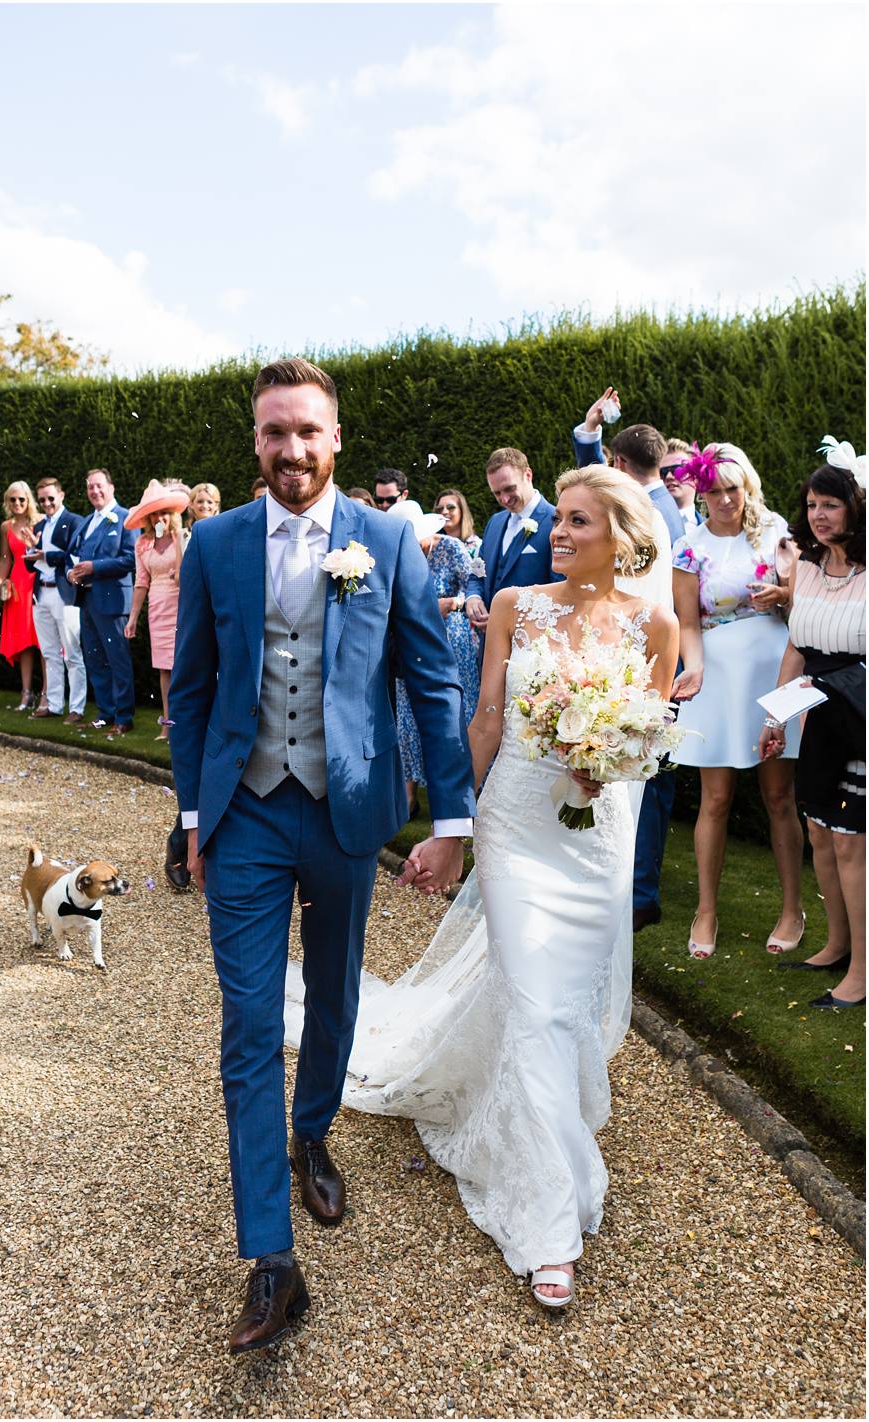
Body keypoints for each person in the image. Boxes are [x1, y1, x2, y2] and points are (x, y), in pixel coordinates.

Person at [284, 464, 678, 1310]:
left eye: (578, 521)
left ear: (623, 531)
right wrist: (452, 829)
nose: (560, 533)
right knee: (536, 1005)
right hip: (516, 828)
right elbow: (487, 717)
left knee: (556, 1006)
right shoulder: (514, 606)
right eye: (559, 520)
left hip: (597, 838)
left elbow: (649, 741)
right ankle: (547, 1227)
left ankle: (542, 1115)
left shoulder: (657, 623)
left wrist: (602, 762)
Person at [169, 357, 475, 1354]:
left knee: (336, 997)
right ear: (253, 443)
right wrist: (188, 815)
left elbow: (431, 684)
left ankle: (311, 1133)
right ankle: (270, 1259)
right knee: (248, 1024)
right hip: (246, 816)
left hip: (347, 811)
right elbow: (191, 693)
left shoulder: (386, 539)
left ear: (333, 440)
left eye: (305, 431)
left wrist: (450, 820)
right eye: (272, 432)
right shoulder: (213, 543)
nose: (289, 449)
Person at [671, 442, 803, 959]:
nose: (726, 500)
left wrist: (786, 594)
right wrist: (694, 666)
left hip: (774, 667)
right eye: (714, 492)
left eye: (733, 489)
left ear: (746, 488)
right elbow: (686, 621)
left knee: (778, 797)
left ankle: (793, 909)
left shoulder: (776, 533)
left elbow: (809, 598)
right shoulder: (689, 546)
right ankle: (706, 911)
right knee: (717, 799)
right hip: (717, 677)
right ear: (701, 495)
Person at [760, 446, 865, 1009]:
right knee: (820, 831)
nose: (820, 514)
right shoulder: (804, 565)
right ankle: (839, 943)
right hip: (818, 711)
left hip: (861, 714)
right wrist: (776, 716)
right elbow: (797, 645)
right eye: (812, 505)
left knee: (851, 842)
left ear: (856, 507)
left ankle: (863, 973)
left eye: (832, 504)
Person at [388, 500, 481, 817]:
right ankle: (409, 799)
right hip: (409, 643)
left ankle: (466, 792)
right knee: (408, 718)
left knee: (457, 711)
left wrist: (452, 602)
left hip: (450, 640)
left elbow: (475, 587)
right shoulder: (396, 554)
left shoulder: (451, 547)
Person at [67, 468, 138, 734]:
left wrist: (94, 567)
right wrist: (70, 573)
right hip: (86, 600)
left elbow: (131, 559)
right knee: (94, 659)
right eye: (90, 487)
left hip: (112, 601)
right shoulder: (87, 521)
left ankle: (124, 718)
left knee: (118, 660)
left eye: (99, 486)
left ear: (111, 487)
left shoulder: (126, 518)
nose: (94, 491)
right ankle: (105, 713)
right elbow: (70, 556)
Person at [465, 447, 559, 641]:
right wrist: (473, 597)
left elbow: (561, 590)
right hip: (489, 645)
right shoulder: (495, 523)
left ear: (528, 474)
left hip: (533, 644)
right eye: (497, 493)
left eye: (509, 489)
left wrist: (508, 622)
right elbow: (477, 572)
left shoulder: (556, 521)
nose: (505, 499)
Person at [124, 479, 191, 739]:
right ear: (149, 517)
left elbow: (186, 577)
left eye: (164, 512)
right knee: (164, 669)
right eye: (154, 514)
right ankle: (168, 722)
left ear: (172, 513)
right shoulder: (142, 544)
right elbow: (141, 582)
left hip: (182, 605)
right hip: (157, 607)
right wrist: (132, 618)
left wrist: (178, 544)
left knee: (185, 665)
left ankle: (189, 721)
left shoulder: (181, 536)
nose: (159, 517)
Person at [27, 477, 87, 723]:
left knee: (72, 653)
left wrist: (45, 555)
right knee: (49, 652)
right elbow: (31, 562)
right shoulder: (39, 524)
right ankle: (53, 704)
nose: (47, 503)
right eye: (42, 499)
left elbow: (76, 555)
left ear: (61, 495)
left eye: (51, 498)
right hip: (41, 592)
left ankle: (77, 707)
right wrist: (31, 551)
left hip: (65, 593)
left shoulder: (75, 522)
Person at [0, 481, 42, 710]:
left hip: (37, 584)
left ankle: (46, 694)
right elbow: (5, 558)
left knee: (43, 641)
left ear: (28, 500)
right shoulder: (6, 526)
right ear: (7, 501)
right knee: (24, 642)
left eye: (21, 499)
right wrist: (0, 582)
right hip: (17, 588)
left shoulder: (40, 521)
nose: (17, 503)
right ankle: (26, 693)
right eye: (12, 499)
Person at [662, 438, 702, 526]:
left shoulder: (714, 530)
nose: (668, 477)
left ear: (696, 476)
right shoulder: (647, 527)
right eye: (663, 472)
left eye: (677, 470)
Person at [434, 488, 481, 555]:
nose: (444, 512)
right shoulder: (432, 548)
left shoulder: (479, 547)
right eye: (440, 509)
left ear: (462, 511)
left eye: (451, 507)